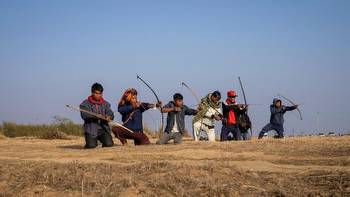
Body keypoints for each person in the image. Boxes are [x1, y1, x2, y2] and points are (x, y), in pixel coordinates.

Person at [80, 83, 114, 149]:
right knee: (91, 146)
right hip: (91, 129)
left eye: (100, 93)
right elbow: (84, 116)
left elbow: (111, 114)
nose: (99, 95)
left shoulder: (106, 104)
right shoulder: (84, 104)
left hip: (103, 129)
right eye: (97, 93)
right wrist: (96, 117)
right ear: (92, 93)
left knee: (109, 144)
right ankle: (89, 144)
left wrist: (109, 117)